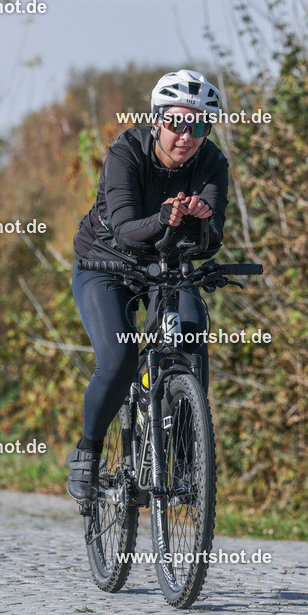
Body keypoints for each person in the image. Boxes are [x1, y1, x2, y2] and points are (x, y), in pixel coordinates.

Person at [67, 69, 230, 502]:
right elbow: (123, 230)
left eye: (198, 125)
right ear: (157, 119)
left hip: (166, 266)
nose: (187, 135)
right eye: (177, 122)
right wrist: (164, 217)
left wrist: (198, 222)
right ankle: (89, 451)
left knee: (191, 338)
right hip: (106, 263)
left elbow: (211, 241)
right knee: (119, 358)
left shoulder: (212, 163)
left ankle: (182, 458)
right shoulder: (126, 153)